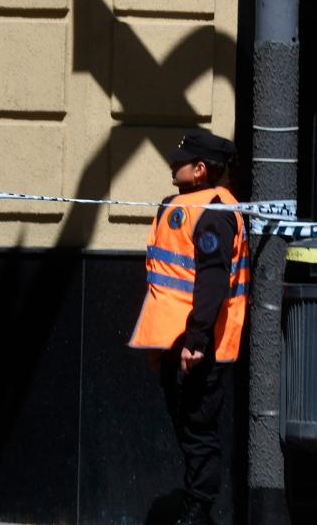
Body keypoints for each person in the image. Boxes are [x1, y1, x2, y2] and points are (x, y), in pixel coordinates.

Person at [128, 130, 249, 525]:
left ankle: (196, 515)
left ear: (200, 170)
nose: (172, 164)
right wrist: (162, 345)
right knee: (190, 434)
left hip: (200, 348)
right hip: (177, 343)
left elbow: (212, 282)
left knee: (199, 436)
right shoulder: (186, 206)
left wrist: (195, 341)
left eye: (181, 159)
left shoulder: (214, 211)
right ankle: (193, 510)